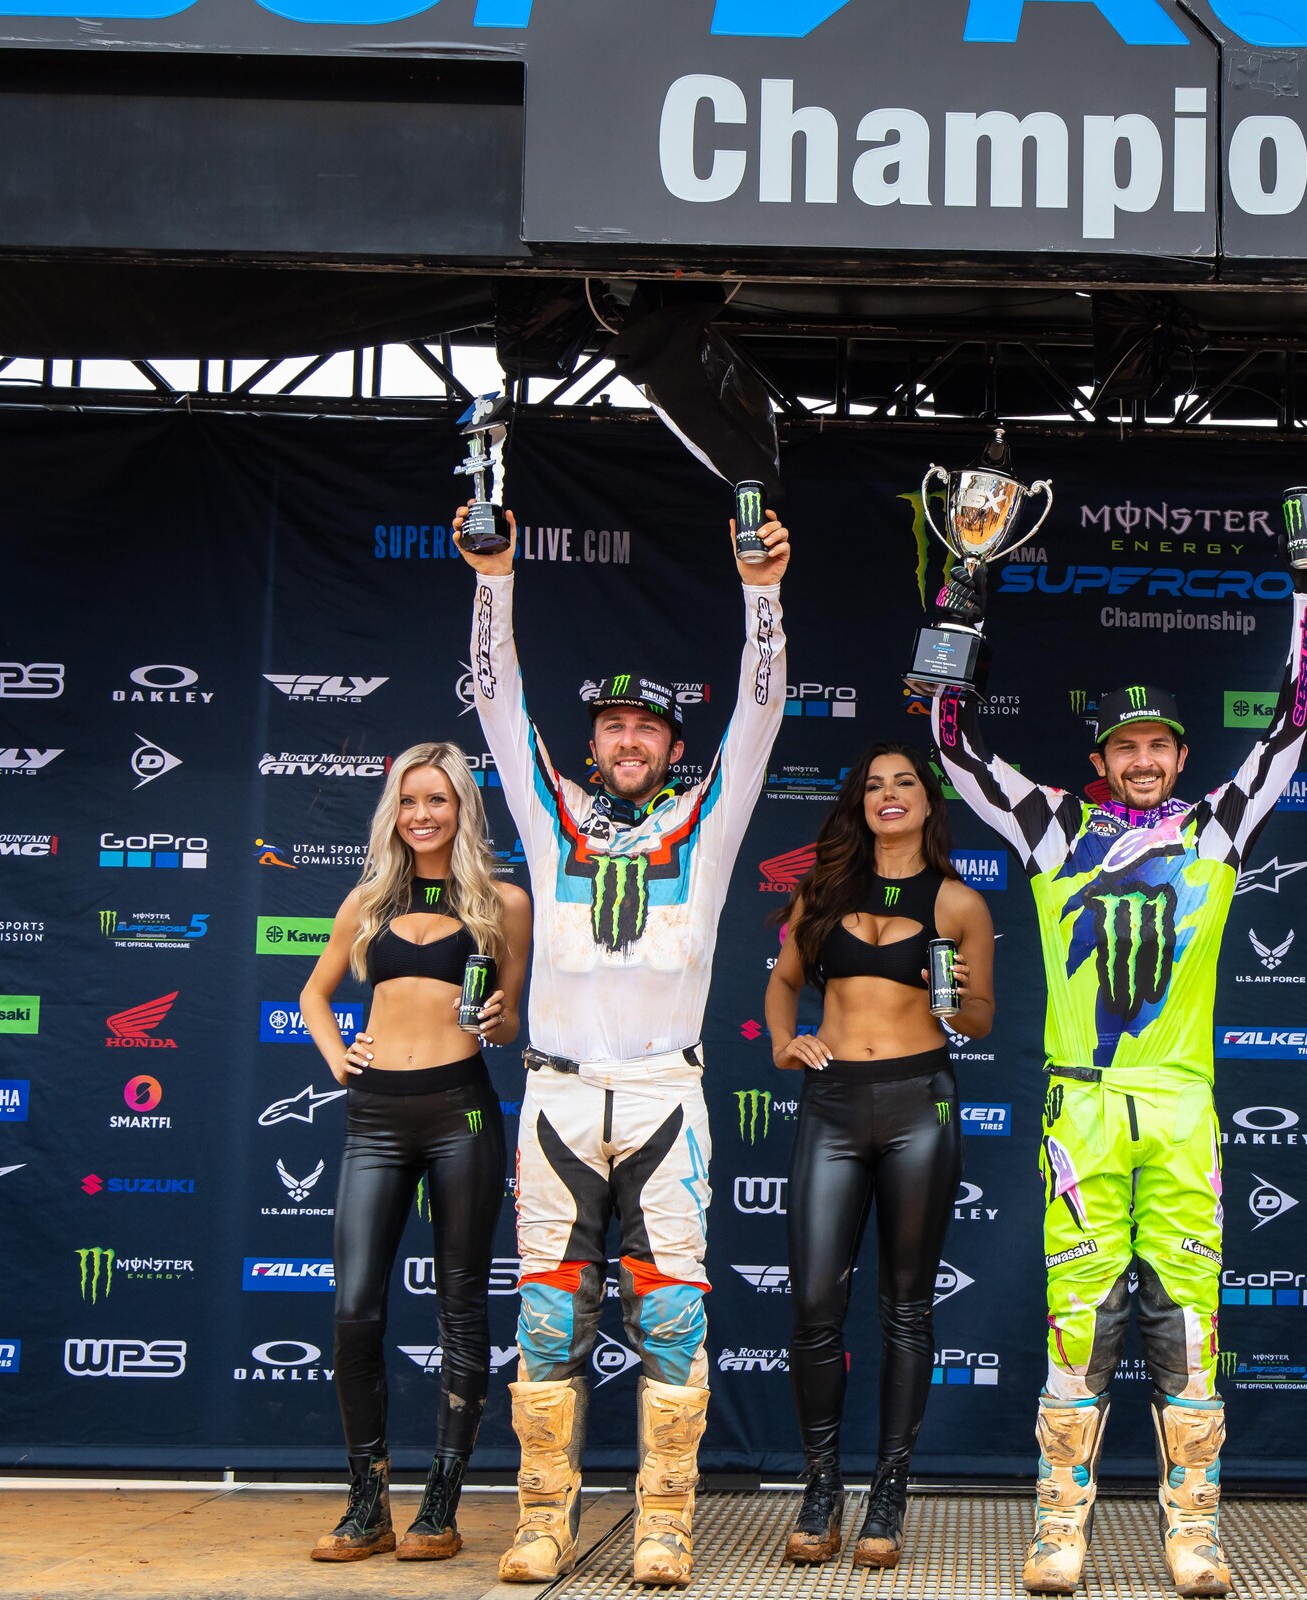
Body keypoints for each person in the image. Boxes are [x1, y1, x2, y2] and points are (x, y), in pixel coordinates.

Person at [929, 530, 1307, 1598]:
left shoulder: (1217, 827)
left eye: (1159, 745)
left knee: (1191, 1322)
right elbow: (952, 743)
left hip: (1183, 1106)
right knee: (1080, 1317)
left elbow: (1294, 720)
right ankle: (1060, 1527)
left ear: (1181, 757)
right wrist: (958, 599)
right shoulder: (1052, 828)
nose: (1144, 760)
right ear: (1099, 758)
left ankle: (1194, 1533)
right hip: (1083, 1112)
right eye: (1126, 747)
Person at [457, 496, 791, 1588]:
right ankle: (544, 1517)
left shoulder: (705, 823)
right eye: (612, 725)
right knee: (548, 1316)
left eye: (648, 727)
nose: (630, 738)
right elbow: (498, 703)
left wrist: (763, 597)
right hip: (555, 1095)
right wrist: (494, 578)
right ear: (593, 740)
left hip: (661, 1096)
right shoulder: (547, 812)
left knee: (672, 1321)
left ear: (672, 746)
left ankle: (664, 1523)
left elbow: (763, 716)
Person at [764, 742, 997, 1569]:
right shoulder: (821, 889)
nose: (889, 795)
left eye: (906, 783)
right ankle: (821, 1487)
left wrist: (956, 996)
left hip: (919, 1103)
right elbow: (783, 980)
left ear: (930, 804)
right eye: (874, 785)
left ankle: (888, 1492)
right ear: (858, 804)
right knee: (815, 1307)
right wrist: (787, 1043)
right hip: (830, 1106)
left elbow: (980, 1022)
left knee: (905, 1307)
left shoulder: (961, 903)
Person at [301, 741, 530, 1563]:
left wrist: (496, 1018)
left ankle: (440, 1502)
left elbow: (507, 1021)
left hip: (460, 1111)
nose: (423, 815)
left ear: (463, 807)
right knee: (355, 1309)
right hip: (374, 1114)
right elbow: (314, 992)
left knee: (461, 1308)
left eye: (438, 800)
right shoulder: (367, 898)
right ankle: (368, 1504)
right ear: (393, 812)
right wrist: (338, 1057)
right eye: (409, 801)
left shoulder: (502, 901)